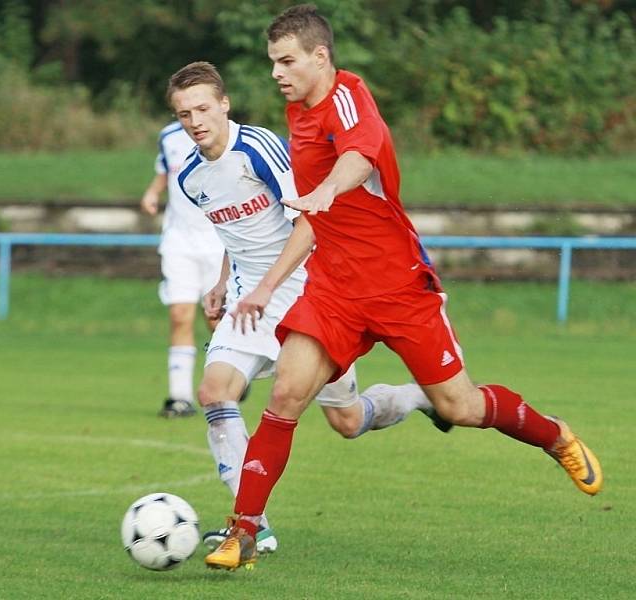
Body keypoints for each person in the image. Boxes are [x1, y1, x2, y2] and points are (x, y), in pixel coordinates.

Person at [205, 4, 603, 571]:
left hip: (396, 285)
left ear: (320, 57)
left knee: (460, 406)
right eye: (272, 61)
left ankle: (554, 436)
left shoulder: (347, 96)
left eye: (286, 60)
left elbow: (358, 158)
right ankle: (242, 532)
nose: (276, 72)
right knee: (286, 395)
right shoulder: (297, 112)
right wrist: (268, 284)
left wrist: (326, 191)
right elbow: (317, 215)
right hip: (334, 290)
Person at [166, 60, 449, 559]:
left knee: (348, 421)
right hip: (247, 301)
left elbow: (314, 217)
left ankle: (417, 398)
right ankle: (251, 527)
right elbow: (236, 232)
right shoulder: (190, 176)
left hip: (308, 292)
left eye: (203, 108)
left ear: (224, 104)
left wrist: (270, 285)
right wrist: (220, 283)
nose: (195, 121)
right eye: (184, 113)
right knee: (214, 392)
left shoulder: (259, 148)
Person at [141, 120, 225, 417]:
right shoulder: (168, 135)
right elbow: (165, 171)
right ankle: (180, 397)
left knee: (216, 319)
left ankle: (230, 375)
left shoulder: (226, 132)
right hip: (179, 241)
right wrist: (153, 193)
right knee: (179, 315)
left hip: (218, 242)